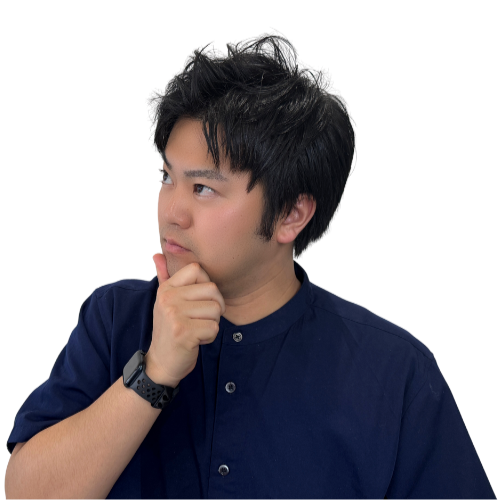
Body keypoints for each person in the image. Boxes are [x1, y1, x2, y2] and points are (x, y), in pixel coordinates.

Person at [5, 28, 496, 500]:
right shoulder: (115, 317)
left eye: (203, 188)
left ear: (291, 215)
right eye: (166, 177)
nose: (172, 212)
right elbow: (26, 493)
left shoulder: (393, 370)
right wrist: (153, 374)